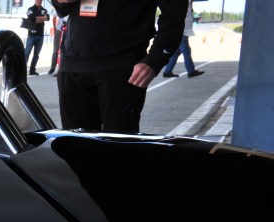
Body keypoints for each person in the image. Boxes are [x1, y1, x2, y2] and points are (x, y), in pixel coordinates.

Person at [50, 0, 189, 133]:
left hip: (121, 69)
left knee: (118, 145)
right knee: (75, 144)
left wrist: (156, 58)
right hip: (72, 66)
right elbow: (62, 10)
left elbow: (174, 11)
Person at [161, 5, 204, 78]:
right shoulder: (184, 3)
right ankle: (191, 71)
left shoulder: (185, 4)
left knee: (176, 53)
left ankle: (167, 72)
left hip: (182, 31)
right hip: (181, 31)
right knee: (186, 51)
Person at [24, 0, 50, 76]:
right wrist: (42, 18)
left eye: (41, 0)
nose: (39, 1)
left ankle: (32, 70)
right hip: (31, 35)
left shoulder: (44, 10)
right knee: (27, 53)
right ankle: (22, 70)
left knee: (36, 54)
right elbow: (31, 18)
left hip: (40, 36)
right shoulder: (30, 9)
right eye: (38, 0)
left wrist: (37, 18)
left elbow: (48, 18)